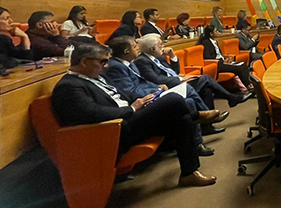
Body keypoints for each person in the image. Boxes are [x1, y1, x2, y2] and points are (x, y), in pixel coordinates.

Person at [50, 43, 216, 187]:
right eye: (103, 62)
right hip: (115, 130)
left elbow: (120, 94)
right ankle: (198, 116)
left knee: (181, 117)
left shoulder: (95, 77)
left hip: (128, 118)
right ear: (84, 61)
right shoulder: (68, 86)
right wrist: (132, 109)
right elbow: (92, 113)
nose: (106, 66)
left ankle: (189, 173)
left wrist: (142, 99)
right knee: (174, 100)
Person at [103, 36, 224, 156]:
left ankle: (200, 133)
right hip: (143, 101)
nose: (138, 48)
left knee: (200, 90)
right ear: (126, 51)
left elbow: (143, 81)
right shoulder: (117, 67)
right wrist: (155, 91)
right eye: (135, 46)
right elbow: (130, 91)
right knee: (188, 99)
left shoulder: (129, 63)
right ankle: (200, 134)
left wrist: (158, 87)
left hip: (154, 92)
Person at [134, 33, 252, 109]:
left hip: (178, 81)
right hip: (169, 88)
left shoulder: (158, 57)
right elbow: (156, 79)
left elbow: (174, 70)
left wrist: (173, 56)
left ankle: (208, 125)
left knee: (207, 88)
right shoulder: (142, 61)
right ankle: (231, 98)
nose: (163, 46)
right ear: (153, 48)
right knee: (205, 78)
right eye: (160, 44)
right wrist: (180, 79)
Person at [199, 25, 254, 90]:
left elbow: (219, 54)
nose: (217, 33)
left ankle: (250, 85)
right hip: (217, 65)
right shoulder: (206, 43)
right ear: (211, 34)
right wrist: (222, 61)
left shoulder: (215, 41)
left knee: (243, 65)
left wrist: (226, 59)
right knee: (240, 68)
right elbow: (208, 57)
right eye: (215, 31)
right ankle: (249, 86)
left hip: (222, 62)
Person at [0, 5, 32, 70]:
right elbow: (4, 62)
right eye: (6, 19)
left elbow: (26, 58)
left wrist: (24, 37)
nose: (11, 21)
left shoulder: (4, 39)